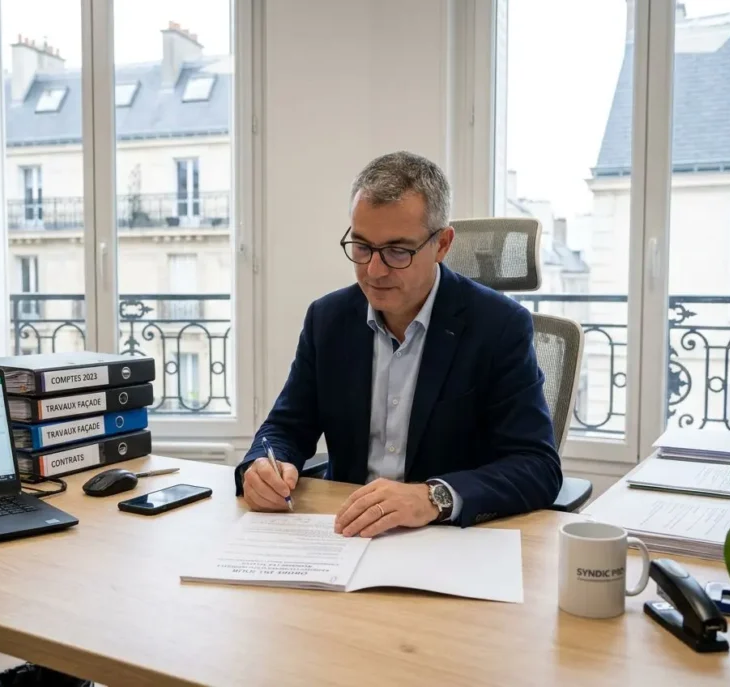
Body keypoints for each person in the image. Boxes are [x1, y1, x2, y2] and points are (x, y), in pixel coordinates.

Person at [235, 151, 561, 537]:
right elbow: (286, 428)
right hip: (345, 532)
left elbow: (536, 465)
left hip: (446, 541)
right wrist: (263, 465)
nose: (374, 271)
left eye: (397, 251)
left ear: (442, 244)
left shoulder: (500, 326)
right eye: (361, 247)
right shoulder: (328, 320)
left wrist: (433, 497)